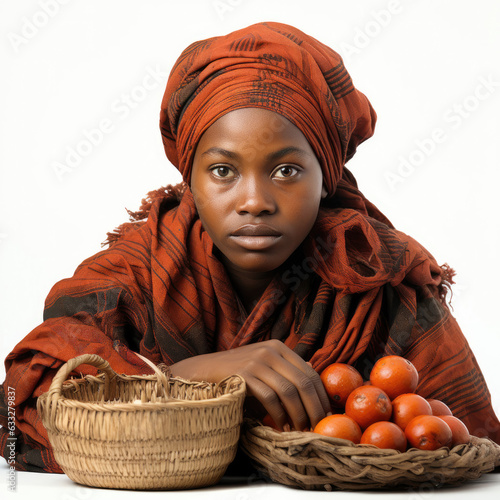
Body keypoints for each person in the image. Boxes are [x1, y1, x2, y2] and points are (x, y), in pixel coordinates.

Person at [1, 21, 499, 473]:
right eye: (223, 171)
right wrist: (184, 380)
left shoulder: (377, 283)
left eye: (286, 170)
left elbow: (467, 443)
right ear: (189, 182)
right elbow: (12, 415)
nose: (255, 202)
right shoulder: (133, 275)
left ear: (327, 178)